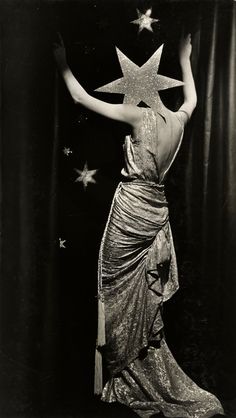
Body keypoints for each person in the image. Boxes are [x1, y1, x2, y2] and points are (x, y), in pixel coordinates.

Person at [54, 33, 225, 418]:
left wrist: (62, 61)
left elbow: (81, 99)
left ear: (139, 94)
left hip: (131, 207)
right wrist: (185, 58)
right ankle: (132, 371)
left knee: (113, 287)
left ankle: (121, 375)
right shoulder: (178, 120)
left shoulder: (140, 116)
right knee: (140, 297)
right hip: (156, 210)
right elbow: (193, 99)